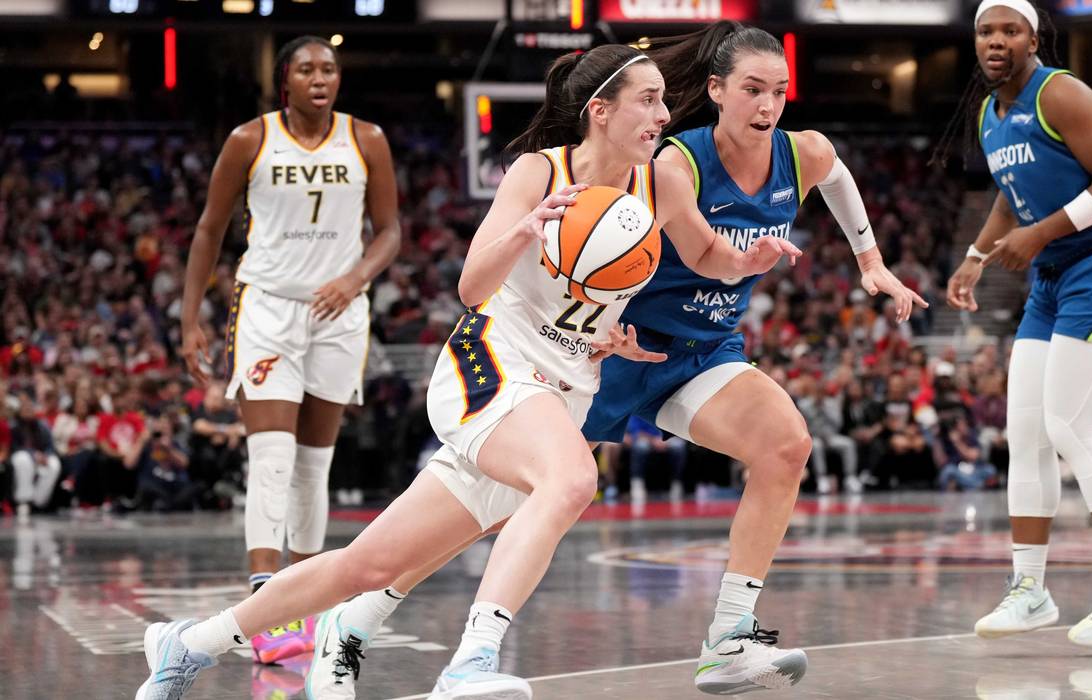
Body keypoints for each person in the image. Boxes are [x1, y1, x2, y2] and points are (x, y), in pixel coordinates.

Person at [135, 43, 799, 700]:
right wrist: (525, 230)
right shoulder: (539, 173)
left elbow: (710, 257)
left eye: (662, 101)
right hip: (491, 366)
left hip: (562, 386)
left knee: (370, 564)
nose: (662, 115)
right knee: (571, 480)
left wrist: (747, 262)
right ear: (600, 111)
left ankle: (190, 643)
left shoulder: (660, 182)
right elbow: (472, 287)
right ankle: (472, 663)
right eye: (647, 101)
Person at [580, 22, 921, 694]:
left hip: (705, 350)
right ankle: (365, 606)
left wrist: (870, 261)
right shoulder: (675, 164)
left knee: (785, 447)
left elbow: (839, 178)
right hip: (619, 346)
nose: (767, 107)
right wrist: (603, 322)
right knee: (517, 496)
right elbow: (604, 249)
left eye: (779, 92)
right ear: (715, 91)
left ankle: (728, 640)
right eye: (751, 91)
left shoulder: (804, 155)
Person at [942, 0, 1092, 646]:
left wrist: (1039, 233)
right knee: (1026, 433)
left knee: (1068, 425)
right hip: (1054, 278)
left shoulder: (1061, 94)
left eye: (1007, 30)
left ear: (1032, 37)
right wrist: (973, 257)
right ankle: (1030, 590)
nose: (995, 40)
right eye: (985, 30)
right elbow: (1009, 195)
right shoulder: (991, 113)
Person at [175, 34, 402, 663]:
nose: (320, 77)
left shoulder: (367, 140)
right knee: (271, 457)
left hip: (339, 311)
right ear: (286, 82)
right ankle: (262, 604)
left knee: (312, 465)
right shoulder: (251, 139)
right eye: (306, 69)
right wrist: (190, 318)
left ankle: (303, 604)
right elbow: (209, 228)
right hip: (268, 307)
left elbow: (390, 233)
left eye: (329, 67)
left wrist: (355, 278)